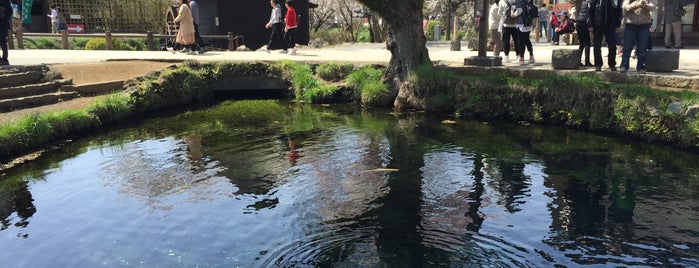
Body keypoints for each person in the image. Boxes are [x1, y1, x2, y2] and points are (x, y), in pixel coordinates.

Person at [619, 0, 655, 73]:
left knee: (642, 47)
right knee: (627, 47)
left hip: (644, 25)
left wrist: (645, 6)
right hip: (630, 25)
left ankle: (641, 67)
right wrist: (636, 5)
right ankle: (624, 66)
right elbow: (625, 7)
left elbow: (653, 7)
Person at [588, 0, 623, 72]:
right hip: (597, 24)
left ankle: (612, 64)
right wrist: (590, 24)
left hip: (610, 25)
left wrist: (618, 24)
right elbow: (590, 10)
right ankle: (598, 65)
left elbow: (619, 11)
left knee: (612, 45)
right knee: (597, 46)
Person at [576, 0, 594, 67]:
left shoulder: (583, 2)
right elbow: (589, 14)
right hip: (584, 23)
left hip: (578, 22)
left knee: (581, 44)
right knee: (587, 43)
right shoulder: (591, 2)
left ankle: (577, 61)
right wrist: (590, 25)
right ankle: (587, 61)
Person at [0, 0, 10, 65]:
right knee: (3, 41)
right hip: (4, 24)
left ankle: (4, 59)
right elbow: (10, 11)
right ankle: (4, 59)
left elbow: (10, 11)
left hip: (3, 24)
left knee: (3, 41)